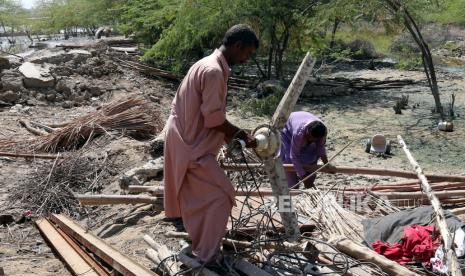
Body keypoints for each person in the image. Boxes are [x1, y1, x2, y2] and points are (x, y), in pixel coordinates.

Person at [163, 24, 258, 267]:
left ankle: (203, 244)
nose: (247, 59)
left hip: (187, 139)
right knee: (222, 195)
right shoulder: (214, 71)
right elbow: (214, 119)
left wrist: (231, 138)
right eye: (247, 53)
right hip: (192, 146)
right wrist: (241, 135)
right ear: (238, 46)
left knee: (199, 197)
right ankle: (207, 255)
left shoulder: (205, 64)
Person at [280, 111, 336, 189]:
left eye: (314, 139)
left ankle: (309, 182)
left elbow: (320, 148)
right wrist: (304, 177)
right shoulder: (298, 133)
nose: (310, 140)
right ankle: (293, 186)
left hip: (303, 122)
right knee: (288, 159)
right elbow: (294, 156)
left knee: (313, 155)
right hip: (287, 132)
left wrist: (327, 164)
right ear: (307, 131)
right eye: (309, 137)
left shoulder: (322, 132)